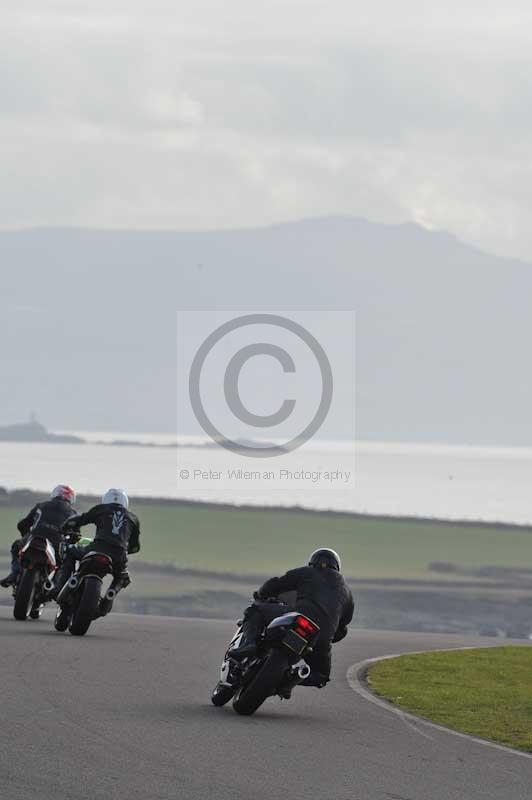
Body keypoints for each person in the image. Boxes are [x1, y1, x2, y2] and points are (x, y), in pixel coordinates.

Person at [232, 548, 354, 690]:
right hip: (320, 636)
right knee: (320, 675)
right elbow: (343, 627)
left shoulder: (308, 572)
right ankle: (289, 680)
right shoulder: (347, 591)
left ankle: (250, 644)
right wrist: (329, 637)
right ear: (337, 567)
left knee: (254, 610)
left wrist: (260, 594)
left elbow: (276, 583)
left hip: (298, 618)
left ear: (313, 562)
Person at [59, 488, 140, 593]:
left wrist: (65, 527)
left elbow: (80, 520)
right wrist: (123, 549)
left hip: (96, 548)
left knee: (70, 551)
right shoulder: (133, 518)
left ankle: (60, 586)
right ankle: (111, 593)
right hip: (119, 556)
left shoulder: (102, 509)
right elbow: (134, 547)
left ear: (106, 499)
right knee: (122, 577)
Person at [0, 485, 77, 588]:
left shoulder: (41, 505)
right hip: (56, 544)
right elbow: (76, 535)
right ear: (71, 499)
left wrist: (26, 536)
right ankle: (55, 585)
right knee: (64, 561)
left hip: (34, 538)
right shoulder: (73, 514)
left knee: (16, 546)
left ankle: (14, 573)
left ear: (55, 494)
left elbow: (23, 524)